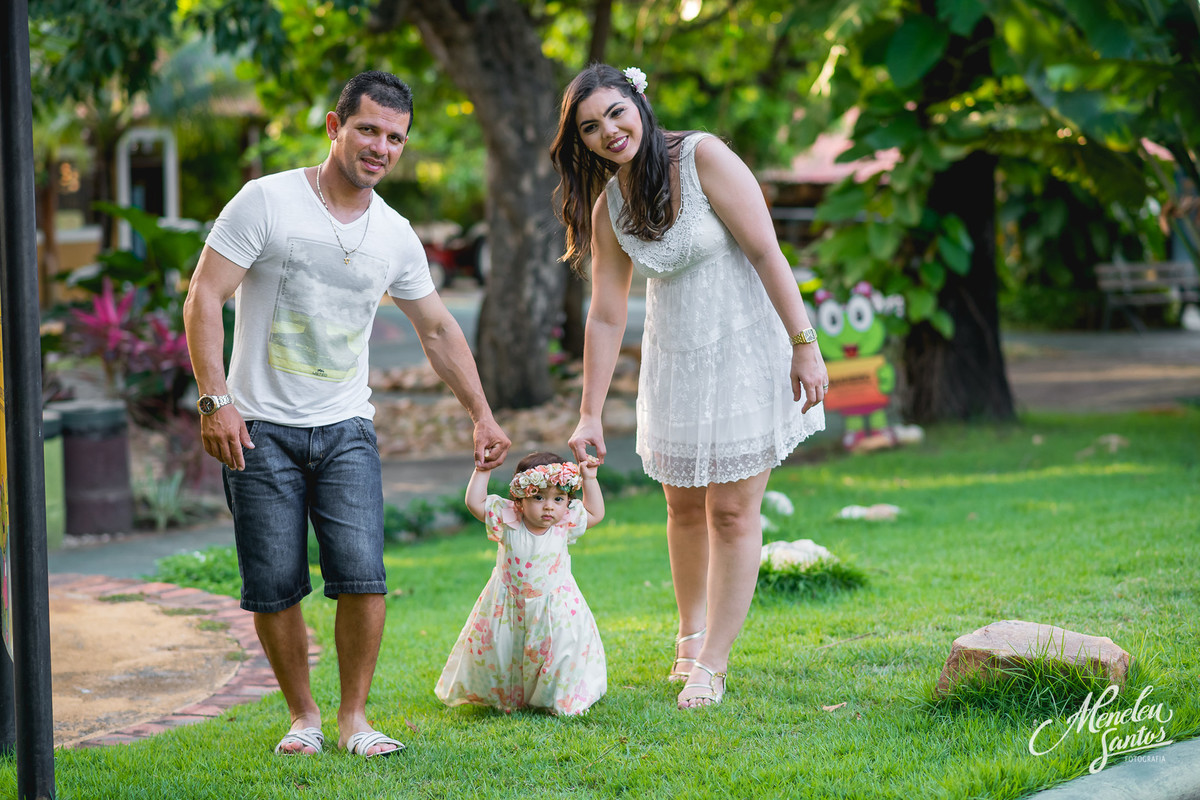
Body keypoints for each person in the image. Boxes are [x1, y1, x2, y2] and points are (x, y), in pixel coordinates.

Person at [182, 70, 511, 757]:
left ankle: (354, 719)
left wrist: (481, 414)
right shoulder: (265, 201)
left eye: (395, 137)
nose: (381, 147)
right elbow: (204, 297)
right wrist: (215, 401)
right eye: (368, 129)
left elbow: (440, 331)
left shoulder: (394, 234)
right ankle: (302, 717)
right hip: (259, 426)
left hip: (346, 427)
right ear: (335, 127)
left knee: (362, 574)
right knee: (272, 583)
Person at [550, 64, 828, 709]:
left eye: (616, 113)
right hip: (676, 363)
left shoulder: (705, 158)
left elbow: (767, 252)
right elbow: (607, 314)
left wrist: (804, 346)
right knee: (681, 509)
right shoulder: (609, 207)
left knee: (730, 511)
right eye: (590, 127)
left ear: (639, 103)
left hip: (743, 351)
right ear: (582, 142)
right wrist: (589, 414)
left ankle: (715, 661)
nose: (608, 132)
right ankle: (690, 632)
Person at [435, 452, 607, 715]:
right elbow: (474, 503)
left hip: (556, 603)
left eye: (558, 499)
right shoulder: (508, 520)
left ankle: (557, 697)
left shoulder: (564, 522)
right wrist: (482, 470)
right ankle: (515, 697)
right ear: (519, 500)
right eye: (538, 498)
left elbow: (595, 513)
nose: (549, 506)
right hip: (509, 604)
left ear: (568, 501)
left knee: (560, 651)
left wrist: (590, 478)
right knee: (506, 652)